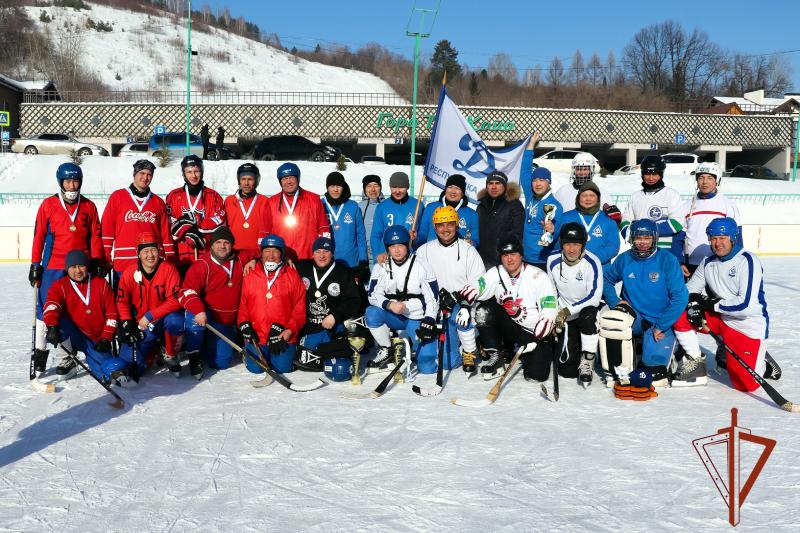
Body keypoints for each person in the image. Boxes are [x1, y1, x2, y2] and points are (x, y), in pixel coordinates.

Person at [672, 217, 777, 390]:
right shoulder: (708, 262)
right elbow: (689, 290)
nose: (717, 243)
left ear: (733, 238)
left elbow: (746, 306)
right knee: (680, 314)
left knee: (746, 386)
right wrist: (694, 304)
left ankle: (762, 360)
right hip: (721, 318)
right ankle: (696, 363)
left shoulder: (748, 261)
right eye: (713, 238)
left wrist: (709, 304)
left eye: (722, 238)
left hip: (746, 325)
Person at [29, 163, 104, 378]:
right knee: (45, 312)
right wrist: (35, 265)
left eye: (75, 181)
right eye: (68, 181)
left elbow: (95, 237)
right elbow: (39, 236)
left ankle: (67, 358)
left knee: (72, 313)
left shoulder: (89, 207)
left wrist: (97, 259)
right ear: (60, 182)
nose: (72, 186)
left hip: (80, 269)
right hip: (53, 267)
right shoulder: (48, 205)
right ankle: (40, 354)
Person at [600, 219, 688, 386]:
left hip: (659, 320)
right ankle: (621, 358)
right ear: (632, 238)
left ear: (654, 238)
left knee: (655, 377)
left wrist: (662, 326)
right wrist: (616, 302)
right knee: (613, 323)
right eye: (638, 238)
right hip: (635, 317)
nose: (642, 242)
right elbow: (606, 280)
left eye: (647, 238)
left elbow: (680, 297)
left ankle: (674, 349)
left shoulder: (668, 260)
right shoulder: (625, 259)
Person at [457, 236, 558, 381]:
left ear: (521, 255)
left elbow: (548, 307)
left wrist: (545, 324)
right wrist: (467, 296)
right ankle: (497, 355)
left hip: (533, 333)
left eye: (513, 254)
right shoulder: (496, 273)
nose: (509, 259)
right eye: (505, 255)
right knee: (483, 311)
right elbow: (479, 286)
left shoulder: (538, 276)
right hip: (510, 329)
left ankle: (526, 352)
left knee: (537, 375)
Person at [178, 226, 257, 377]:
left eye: (226, 242)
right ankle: (194, 354)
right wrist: (198, 310)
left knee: (220, 363)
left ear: (232, 245)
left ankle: (210, 344)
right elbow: (186, 291)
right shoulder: (203, 265)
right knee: (194, 317)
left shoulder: (241, 257)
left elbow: (266, 252)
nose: (222, 246)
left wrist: (255, 260)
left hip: (229, 322)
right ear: (212, 245)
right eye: (218, 242)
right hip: (209, 318)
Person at [416, 206, 485, 375]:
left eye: (450, 225)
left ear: (457, 225)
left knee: (448, 362)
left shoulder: (469, 250)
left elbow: (479, 282)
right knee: (435, 365)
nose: (445, 229)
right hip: (433, 306)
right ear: (434, 227)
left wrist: (463, 300)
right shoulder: (423, 250)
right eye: (441, 225)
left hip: (460, 305)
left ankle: (470, 349)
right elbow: (414, 279)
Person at [365, 225, 439, 374]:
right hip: (393, 315)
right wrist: (389, 304)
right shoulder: (382, 266)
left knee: (427, 367)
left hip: (416, 317)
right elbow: (373, 294)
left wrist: (429, 320)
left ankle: (421, 350)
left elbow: (433, 297)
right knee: (371, 313)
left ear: (407, 245)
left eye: (400, 245)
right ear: (387, 248)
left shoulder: (421, 265)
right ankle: (387, 349)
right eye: (392, 246)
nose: (397, 250)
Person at [42, 250, 120, 383]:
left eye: (81, 266)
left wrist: (106, 338)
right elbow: (52, 305)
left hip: (97, 338)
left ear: (87, 266)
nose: (77, 271)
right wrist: (52, 325)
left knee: (108, 372)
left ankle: (99, 361)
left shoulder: (101, 284)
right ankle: (69, 358)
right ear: (67, 268)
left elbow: (112, 314)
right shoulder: (59, 285)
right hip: (75, 335)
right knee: (57, 322)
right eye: (73, 267)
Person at [115, 232, 184, 381]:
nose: (150, 255)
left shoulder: (168, 269)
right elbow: (122, 302)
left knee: (176, 320)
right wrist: (127, 323)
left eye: (153, 250)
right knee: (132, 367)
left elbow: (175, 300)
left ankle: (170, 352)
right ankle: (153, 351)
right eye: (145, 251)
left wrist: (150, 315)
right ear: (138, 254)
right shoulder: (129, 273)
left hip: (163, 319)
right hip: (143, 325)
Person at [238, 234, 307, 374]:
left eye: (275, 251)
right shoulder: (250, 274)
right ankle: (249, 351)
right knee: (256, 368)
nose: (271, 255)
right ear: (261, 253)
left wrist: (289, 331)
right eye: (267, 251)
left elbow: (299, 310)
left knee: (281, 368)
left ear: (282, 253)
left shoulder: (293, 276)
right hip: (257, 337)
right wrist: (244, 324)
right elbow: (243, 305)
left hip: (281, 336)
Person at [546, 223, 603, 387]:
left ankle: (588, 358)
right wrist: (555, 313)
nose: (571, 249)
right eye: (567, 244)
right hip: (565, 317)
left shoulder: (592, 262)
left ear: (583, 244)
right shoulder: (552, 260)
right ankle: (575, 350)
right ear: (561, 244)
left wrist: (567, 310)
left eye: (576, 244)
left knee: (588, 313)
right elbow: (551, 291)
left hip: (586, 314)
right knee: (567, 371)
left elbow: (594, 297)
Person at [101, 159, 174, 278]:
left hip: (152, 263)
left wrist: (170, 258)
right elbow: (107, 231)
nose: (145, 178)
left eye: (149, 175)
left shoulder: (158, 202)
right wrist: (105, 258)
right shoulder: (118, 197)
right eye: (142, 173)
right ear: (134, 174)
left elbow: (166, 234)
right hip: (124, 262)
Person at [295, 237, 362, 366]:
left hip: (332, 326)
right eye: (318, 251)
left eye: (326, 251)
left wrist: (335, 316)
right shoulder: (303, 267)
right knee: (305, 356)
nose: (322, 256)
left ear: (332, 253)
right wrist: (254, 261)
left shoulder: (342, 272)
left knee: (326, 357)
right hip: (308, 327)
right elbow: (279, 265)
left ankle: (337, 344)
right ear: (312, 254)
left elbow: (355, 300)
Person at [165, 155, 226, 272]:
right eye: (189, 172)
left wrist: (197, 222)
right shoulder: (173, 196)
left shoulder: (213, 196)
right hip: (181, 256)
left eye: (197, 171)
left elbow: (220, 222)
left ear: (202, 172)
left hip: (206, 254)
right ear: (184, 174)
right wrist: (187, 230)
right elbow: (168, 223)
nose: (193, 176)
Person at [620, 155, 685, 261]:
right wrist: (632, 234)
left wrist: (647, 231)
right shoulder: (635, 196)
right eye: (647, 174)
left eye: (654, 174)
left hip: (665, 252)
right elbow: (625, 223)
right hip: (639, 251)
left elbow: (677, 223)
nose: (650, 178)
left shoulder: (671, 194)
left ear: (661, 174)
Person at [682, 161, 741, 278]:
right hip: (691, 265)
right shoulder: (686, 205)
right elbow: (679, 236)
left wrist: (736, 261)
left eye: (710, 178)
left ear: (717, 180)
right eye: (701, 178)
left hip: (719, 263)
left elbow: (737, 236)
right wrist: (680, 261)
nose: (705, 182)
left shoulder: (727, 205)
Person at [266, 162, 331, 261]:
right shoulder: (271, 203)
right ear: (280, 181)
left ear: (298, 178)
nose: (288, 182)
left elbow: (324, 230)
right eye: (284, 178)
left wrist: (321, 255)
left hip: (308, 258)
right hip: (282, 260)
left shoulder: (314, 200)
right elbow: (265, 233)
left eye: (291, 177)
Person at [557, 181, 620, 268]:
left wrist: (592, 259)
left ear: (598, 198)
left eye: (592, 195)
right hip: (570, 266)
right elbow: (558, 242)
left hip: (599, 267)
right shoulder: (565, 217)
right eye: (584, 196)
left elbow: (613, 246)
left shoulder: (608, 219)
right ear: (578, 198)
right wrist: (571, 257)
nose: (588, 199)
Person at [415, 174, 480, 249]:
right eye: (450, 187)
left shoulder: (472, 214)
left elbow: (476, 241)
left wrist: (472, 243)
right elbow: (423, 234)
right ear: (445, 189)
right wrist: (415, 238)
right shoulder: (431, 208)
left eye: (457, 188)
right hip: (432, 254)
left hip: (457, 257)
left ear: (462, 193)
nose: (453, 191)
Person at [369, 171, 422, 265]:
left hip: (410, 257)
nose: (397, 191)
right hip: (386, 257)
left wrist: (416, 237)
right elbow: (376, 235)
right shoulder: (382, 207)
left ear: (407, 187)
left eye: (401, 187)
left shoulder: (418, 205)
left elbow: (423, 233)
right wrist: (377, 255)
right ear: (390, 187)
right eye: (394, 187)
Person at [476, 170, 524, 269]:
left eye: (498, 183)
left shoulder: (514, 205)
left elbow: (517, 234)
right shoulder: (481, 206)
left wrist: (506, 256)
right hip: (482, 260)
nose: (494, 187)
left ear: (504, 186)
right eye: (490, 183)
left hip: (504, 261)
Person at [321, 171, 367, 273]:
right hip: (327, 262)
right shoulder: (320, 206)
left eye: (339, 186)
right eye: (332, 186)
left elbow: (360, 235)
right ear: (327, 187)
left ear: (343, 187)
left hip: (352, 263)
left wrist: (363, 259)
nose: (335, 189)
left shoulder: (353, 206)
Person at [223, 162, 273, 254]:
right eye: (243, 179)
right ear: (239, 180)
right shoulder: (229, 201)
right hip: (233, 252)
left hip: (256, 253)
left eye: (250, 179)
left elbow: (269, 229)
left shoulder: (265, 201)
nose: (246, 183)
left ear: (256, 181)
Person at [521, 167, 562, 269]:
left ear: (548, 183)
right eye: (534, 180)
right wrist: (529, 150)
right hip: (524, 257)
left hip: (541, 260)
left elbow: (556, 233)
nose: (537, 184)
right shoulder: (530, 196)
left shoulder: (553, 205)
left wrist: (553, 231)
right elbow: (524, 173)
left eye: (541, 180)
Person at [359, 174, 383, 269]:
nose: (373, 189)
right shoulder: (359, 207)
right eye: (369, 186)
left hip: (382, 256)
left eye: (376, 185)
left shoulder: (386, 206)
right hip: (364, 257)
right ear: (364, 189)